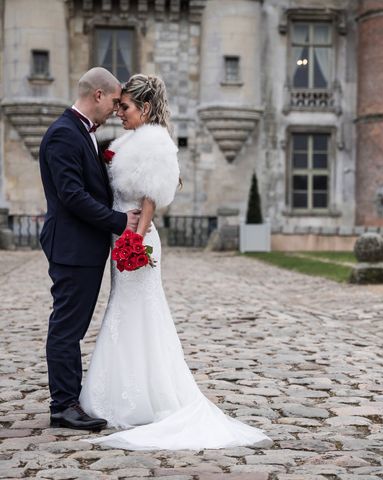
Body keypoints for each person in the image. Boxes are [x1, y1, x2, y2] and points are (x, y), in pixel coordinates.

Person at [78, 74, 271, 450]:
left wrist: (135, 240)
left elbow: (149, 198)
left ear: (145, 108)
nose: (119, 112)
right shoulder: (128, 140)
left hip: (137, 239)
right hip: (122, 236)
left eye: (126, 107)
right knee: (123, 312)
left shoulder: (154, 143)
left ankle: (144, 398)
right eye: (118, 105)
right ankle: (123, 392)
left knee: (136, 313)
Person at [39, 67, 141, 431]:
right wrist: (119, 222)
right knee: (67, 327)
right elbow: (71, 196)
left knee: (73, 325)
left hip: (82, 246)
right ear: (98, 95)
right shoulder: (64, 134)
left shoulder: (81, 134)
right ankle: (63, 405)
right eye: (115, 100)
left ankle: (69, 399)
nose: (117, 108)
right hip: (71, 246)